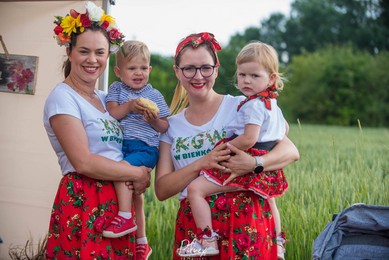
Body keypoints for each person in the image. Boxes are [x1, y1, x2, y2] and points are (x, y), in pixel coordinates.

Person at [155, 32, 299, 259]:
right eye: (189, 68)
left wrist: (254, 163)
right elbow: (162, 190)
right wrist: (202, 163)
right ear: (177, 71)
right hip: (197, 230)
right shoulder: (170, 127)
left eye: (206, 67)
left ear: (217, 68)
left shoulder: (244, 104)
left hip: (246, 222)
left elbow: (290, 150)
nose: (198, 76)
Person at [44, 2, 151, 259]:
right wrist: (136, 172)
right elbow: (83, 161)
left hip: (117, 203)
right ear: (69, 52)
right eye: (84, 51)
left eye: (100, 52)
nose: (92, 60)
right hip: (84, 198)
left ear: (108, 56)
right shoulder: (63, 98)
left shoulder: (107, 99)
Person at [103, 40, 170, 258]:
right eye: (132, 68)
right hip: (123, 146)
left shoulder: (155, 95)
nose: (138, 73)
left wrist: (153, 121)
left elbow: (164, 126)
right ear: (118, 71)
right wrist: (130, 106)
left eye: (143, 68)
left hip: (146, 148)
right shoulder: (116, 89)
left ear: (149, 69)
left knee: (121, 171)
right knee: (136, 195)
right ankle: (142, 241)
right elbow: (112, 114)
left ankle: (124, 217)